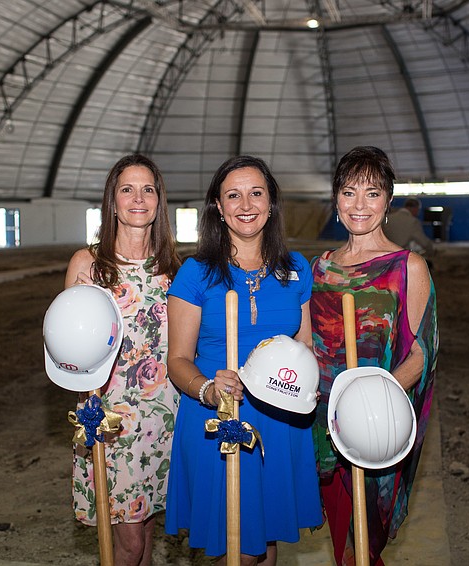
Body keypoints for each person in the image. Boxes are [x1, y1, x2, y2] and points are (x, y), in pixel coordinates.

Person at [164, 155, 322, 565]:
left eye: (256, 193)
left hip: (280, 417)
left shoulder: (297, 269)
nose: (246, 204)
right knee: (236, 550)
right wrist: (208, 389)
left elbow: (304, 343)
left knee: (266, 544)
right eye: (233, 195)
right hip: (220, 417)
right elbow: (178, 360)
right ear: (218, 206)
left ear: (271, 202)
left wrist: (310, 383)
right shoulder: (195, 273)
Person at [310, 146, 438, 565]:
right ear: (336, 199)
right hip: (325, 425)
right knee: (340, 540)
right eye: (349, 192)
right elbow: (308, 342)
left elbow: (422, 352)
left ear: (387, 201)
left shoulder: (408, 266)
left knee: (361, 550)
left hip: (374, 423)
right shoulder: (321, 268)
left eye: (372, 193)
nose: (359, 205)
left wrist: (370, 400)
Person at [64, 154, 181, 566]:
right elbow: (67, 353)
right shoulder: (88, 264)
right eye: (127, 189)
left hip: (163, 416)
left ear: (158, 201)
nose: (138, 198)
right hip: (112, 419)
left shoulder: (175, 270)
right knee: (128, 544)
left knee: (146, 534)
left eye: (147, 189)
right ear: (112, 202)